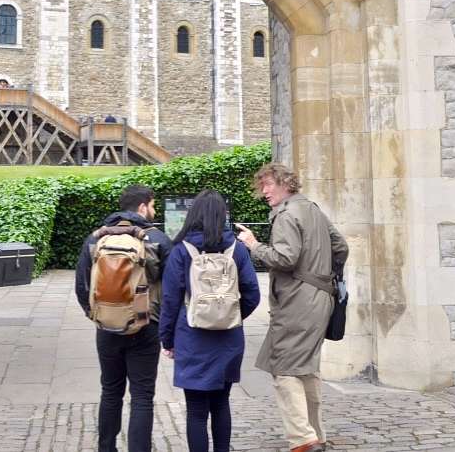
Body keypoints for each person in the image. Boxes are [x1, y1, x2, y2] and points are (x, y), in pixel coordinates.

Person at [235, 163, 348, 452]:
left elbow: (285, 259)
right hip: (321, 297)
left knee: (284, 368)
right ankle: (316, 434)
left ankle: (302, 438)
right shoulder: (312, 208)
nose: (264, 191)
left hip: (298, 301)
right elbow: (341, 247)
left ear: (285, 183)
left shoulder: (287, 214)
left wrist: (253, 244)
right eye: (262, 186)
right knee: (305, 368)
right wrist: (323, 275)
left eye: (268, 184)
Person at [159, 190, 260, 452]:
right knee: (221, 404)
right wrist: (231, 316)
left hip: (191, 337)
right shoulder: (237, 249)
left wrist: (167, 339)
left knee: (196, 411)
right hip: (229, 338)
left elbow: (169, 300)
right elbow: (252, 293)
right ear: (222, 215)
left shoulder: (182, 250)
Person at [75, 184, 173, 452]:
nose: (154, 211)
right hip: (146, 326)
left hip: (106, 327)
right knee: (142, 395)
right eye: (152, 206)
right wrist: (163, 325)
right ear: (142, 207)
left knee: (110, 390)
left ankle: (106, 448)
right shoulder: (157, 239)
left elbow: (82, 287)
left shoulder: (95, 239)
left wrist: (97, 315)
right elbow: (172, 289)